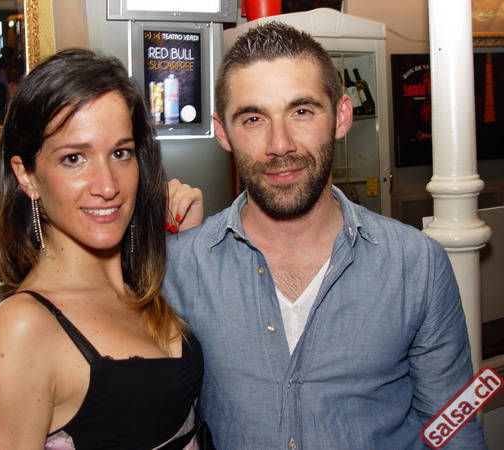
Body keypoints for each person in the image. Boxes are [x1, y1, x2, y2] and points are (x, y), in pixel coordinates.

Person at [163, 22, 487, 449]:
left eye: (302, 111)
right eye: (254, 118)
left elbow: (453, 427)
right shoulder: (179, 269)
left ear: (342, 116)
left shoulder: (417, 264)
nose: (280, 144)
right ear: (223, 132)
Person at [0, 48, 205, 449]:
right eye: (74, 158)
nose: (108, 185)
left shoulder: (143, 286)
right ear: (27, 176)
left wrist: (186, 245)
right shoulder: (23, 329)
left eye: (120, 153)